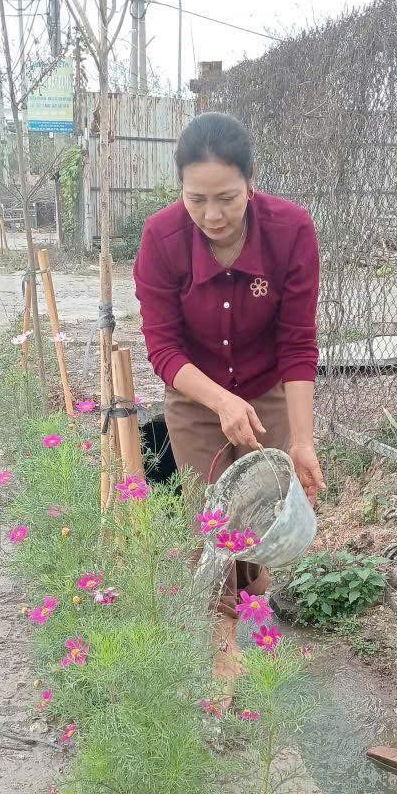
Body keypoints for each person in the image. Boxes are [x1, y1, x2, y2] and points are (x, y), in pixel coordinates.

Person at [133, 111, 324, 693]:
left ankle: (257, 607)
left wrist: (302, 440)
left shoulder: (290, 231)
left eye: (227, 198)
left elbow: (297, 344)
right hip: (195, 395)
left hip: (266, 388)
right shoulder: (160, 239)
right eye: (196, 199)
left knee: (261, 513)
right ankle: (223, 650)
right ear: (179, 190)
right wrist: (218, 401)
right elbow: (162, 349)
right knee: (214, 522)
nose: (212, 216)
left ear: (251, 181)